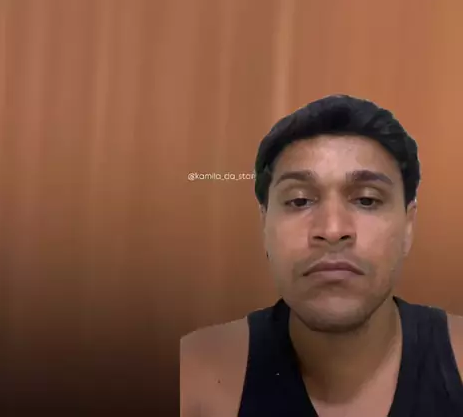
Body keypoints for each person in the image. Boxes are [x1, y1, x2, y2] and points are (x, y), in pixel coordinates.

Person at [180, 94, 463, 416]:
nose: (332, 229)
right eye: (300, 201)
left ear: (408, 226)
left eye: (367, 200)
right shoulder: (193, 376)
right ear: (265, 225)